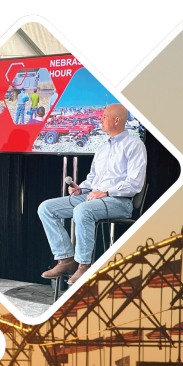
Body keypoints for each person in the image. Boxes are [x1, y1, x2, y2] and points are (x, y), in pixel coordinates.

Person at [38, 104, 147, 285]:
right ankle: (66, 259)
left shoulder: (135, 145)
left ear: (117, 120)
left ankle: (84, 265)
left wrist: (106, 192)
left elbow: (135, 183)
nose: (100, 120)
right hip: (92, 197)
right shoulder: (102, 147)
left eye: (104, 117)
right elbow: (93, 179)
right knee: (46, 208)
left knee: (82, 210)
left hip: (119, 201)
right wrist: (81, 188)